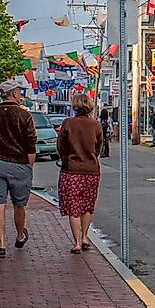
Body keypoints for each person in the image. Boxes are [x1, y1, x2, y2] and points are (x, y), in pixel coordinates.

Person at [0, 79, 37, 258]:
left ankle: (0, 244)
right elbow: (31, 142)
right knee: (19, 204)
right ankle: (19, 235)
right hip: (19, 164)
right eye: (19, 92)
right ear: (14, 94)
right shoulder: (24, 115)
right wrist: (29, 164)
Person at [57, 94, 103, 253]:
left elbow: (61, 146)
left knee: (74, 206)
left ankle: (76, 242)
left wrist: (66, 157)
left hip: (71, 169)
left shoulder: (68, 123)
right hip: (91, 170)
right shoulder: (96, 125)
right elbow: (98, 148)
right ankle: (85, 236)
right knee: (88, 205)